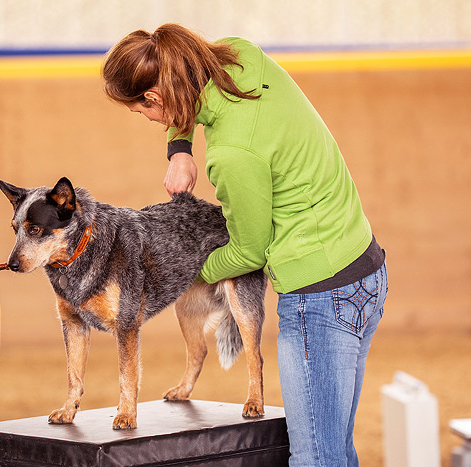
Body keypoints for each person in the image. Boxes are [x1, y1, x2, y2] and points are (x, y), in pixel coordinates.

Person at [102, 23, 388, 466]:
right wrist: (179, 148)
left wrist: (185, 272)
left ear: (154, 98)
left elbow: (249, 252)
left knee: (316, 458)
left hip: (318, 296)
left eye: (144, 112)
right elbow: (185, 92)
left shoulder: (233, 154)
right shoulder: (238, 55)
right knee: (335, 450)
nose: (150, 120)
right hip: (364, 269)